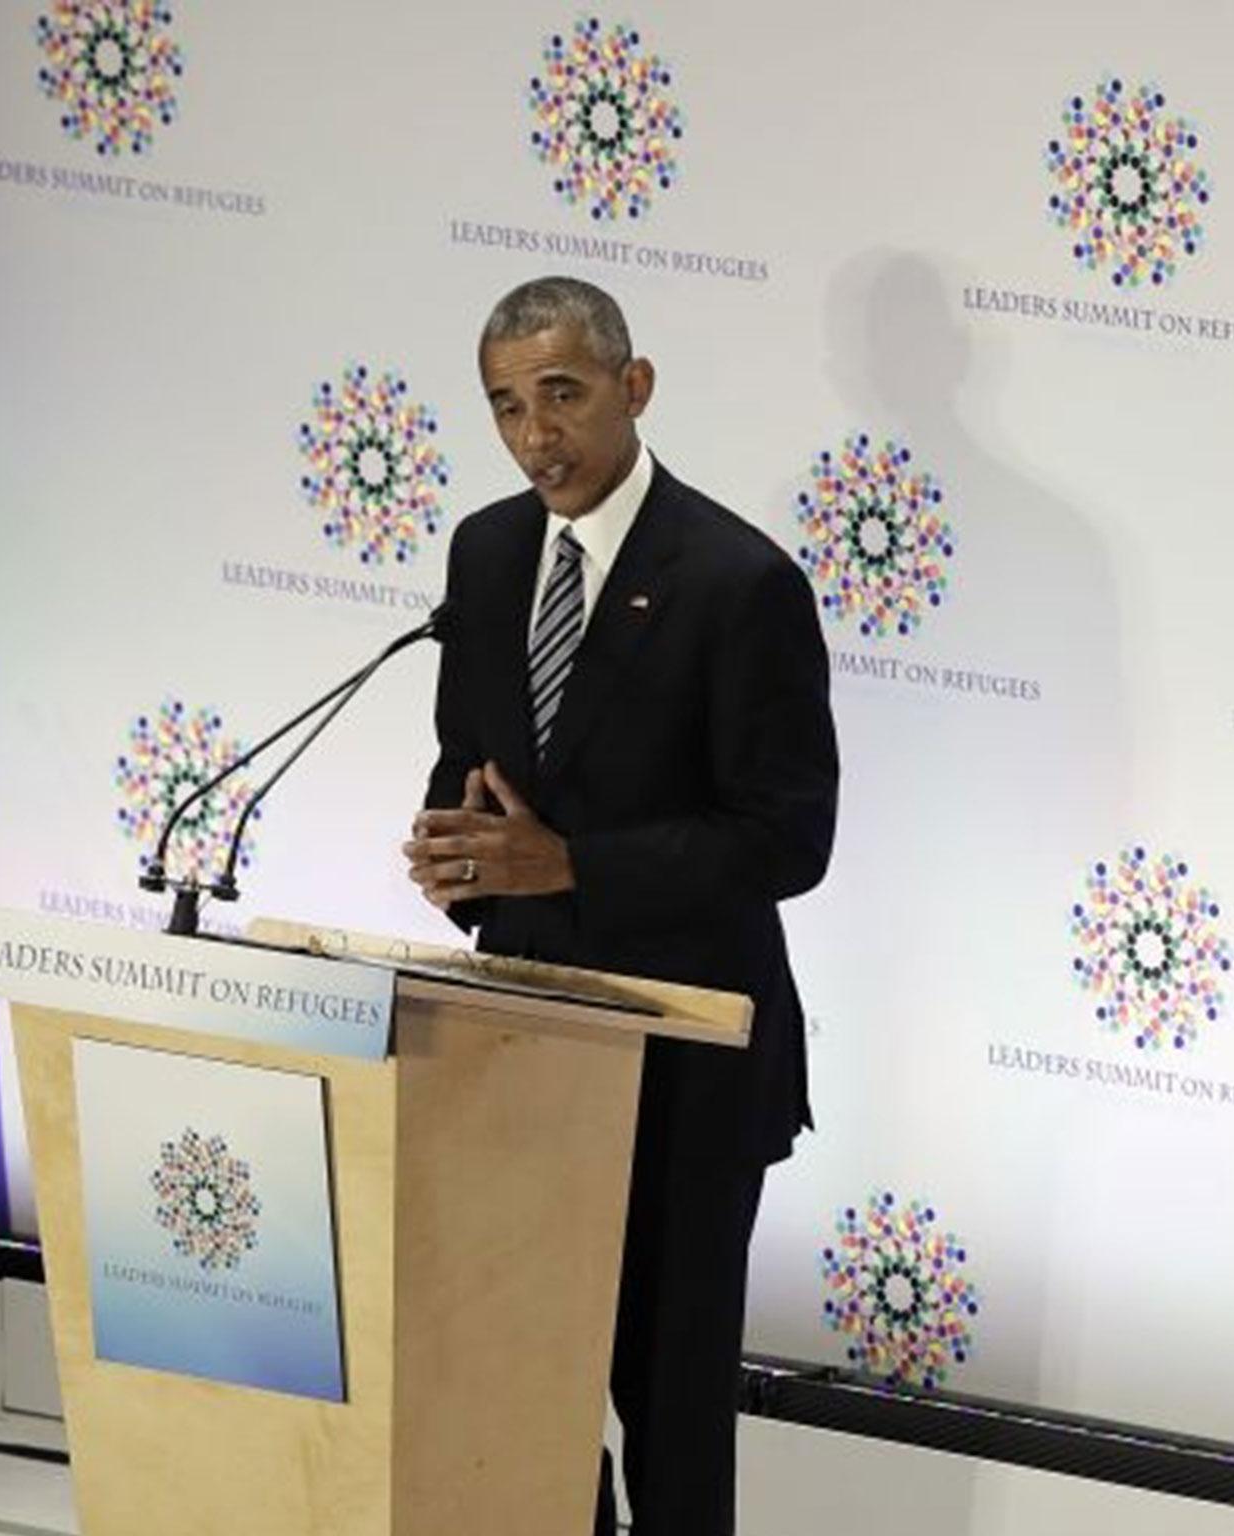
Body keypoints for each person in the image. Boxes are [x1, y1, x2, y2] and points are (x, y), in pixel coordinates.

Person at [404, 274, 839, 1535]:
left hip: (687, 1065)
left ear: (631, 390)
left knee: (668, 1402)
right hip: (523, 1047)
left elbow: (788, 838)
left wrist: (573, 867)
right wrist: (459, 860)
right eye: (504, 407)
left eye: (561, 395)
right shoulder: (484, 555)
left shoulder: (735, 581)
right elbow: (469, 766)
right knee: (521, 1382)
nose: (536, 435)